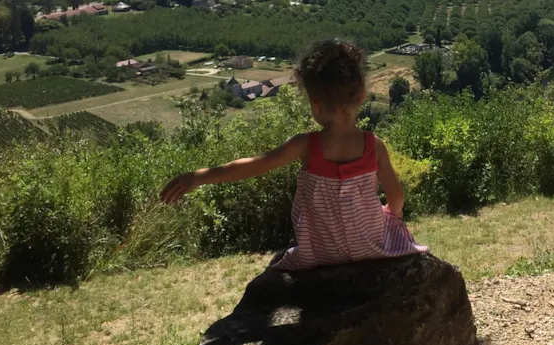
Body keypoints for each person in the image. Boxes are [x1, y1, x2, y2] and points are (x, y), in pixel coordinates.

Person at [160, 39, 426, 269]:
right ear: (362, 96)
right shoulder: (374, 145)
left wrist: (198, 177)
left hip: (321, 254)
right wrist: (391, 217)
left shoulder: (306, 146)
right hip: (372, 248)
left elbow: (254, 166)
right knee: (390, 219)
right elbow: (396, 197)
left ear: (316, 104)